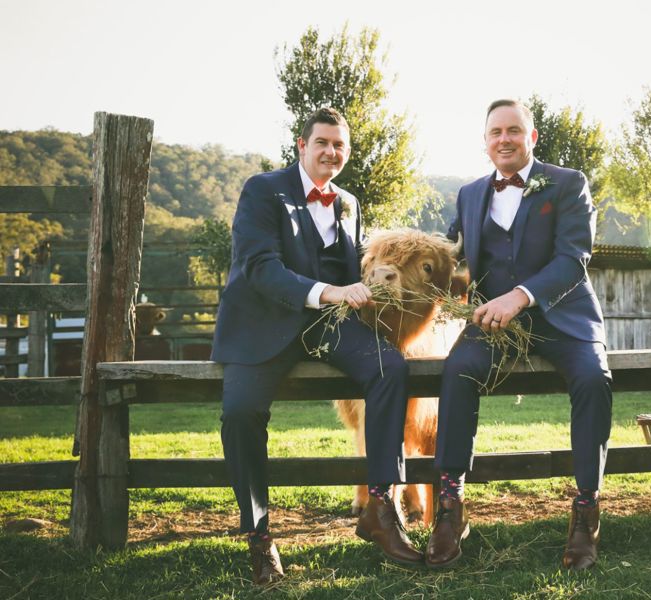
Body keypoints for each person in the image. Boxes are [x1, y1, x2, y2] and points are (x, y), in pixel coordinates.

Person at [212, 108, 423, 584]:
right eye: (323, 142)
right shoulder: (262, 190)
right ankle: (259, 536)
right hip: (262, 324)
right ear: (302, 146)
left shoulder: (348, 202)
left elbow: (353, 269)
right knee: (241, 414)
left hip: (329, 327)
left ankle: (381, 508)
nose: (331, 152)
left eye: (339, 145)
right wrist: (329, 293)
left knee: (390, 367)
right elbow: (259, 267)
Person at [426, 99, 613, 570]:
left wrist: (520, 297)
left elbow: (573, 259)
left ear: (532, 137)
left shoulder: (568, 183)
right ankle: (450, 507)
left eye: (514, 130)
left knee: (593, 380)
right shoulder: (469, 193)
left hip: (564, 318)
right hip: (493, 324)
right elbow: (448, 252)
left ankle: (586, 510)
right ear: (486, 141)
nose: (504, 139)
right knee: (457, 371)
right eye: (496, 132)